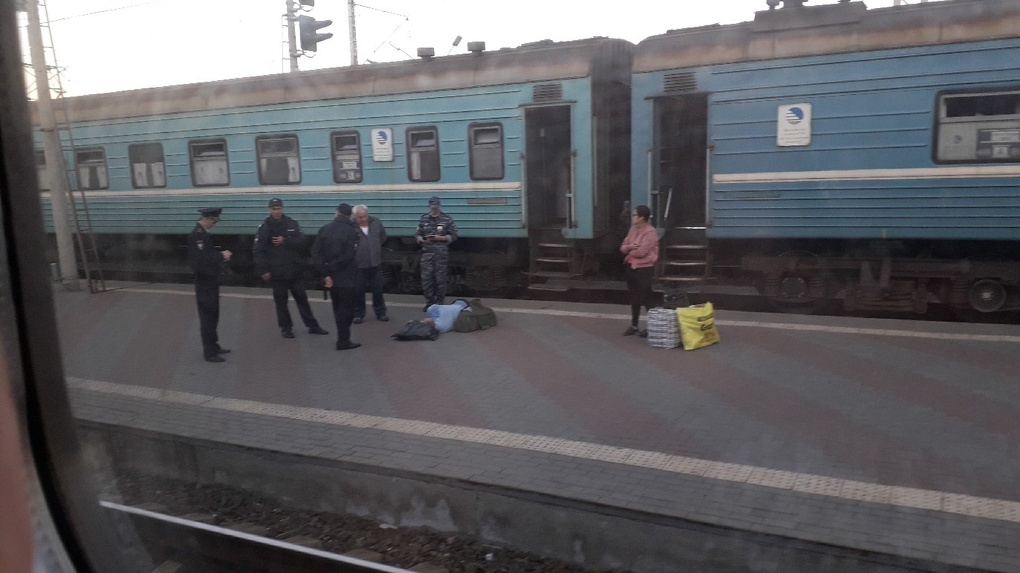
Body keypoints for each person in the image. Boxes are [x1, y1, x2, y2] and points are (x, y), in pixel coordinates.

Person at [253, 197, 329, 338]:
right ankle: (286, 328)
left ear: (283, 209)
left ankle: (312, 325)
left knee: (302, 299)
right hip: (277, 272)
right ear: (270, 210)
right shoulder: (264, 228)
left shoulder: (292, 224)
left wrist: (285, 240)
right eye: (274, 209)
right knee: (281, 302)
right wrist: (263, 270)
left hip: (294, 270)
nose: (277, 211)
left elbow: (302, 242)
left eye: (279, 208)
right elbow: (258, 251)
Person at [312, 203, 362, 351]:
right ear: (350, 215)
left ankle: (343, 339)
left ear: (337, 213)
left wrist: (325, 272)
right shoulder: (352, 232)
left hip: (331, 278)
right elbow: (348, 256)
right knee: (347, 311)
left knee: (338, 308)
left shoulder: (324, 229)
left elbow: (315, 252)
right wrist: (332, 267)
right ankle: (343, 341)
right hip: (347, 278)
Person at [187, 207, 232, 362]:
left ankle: (214, 345)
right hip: (204, 282)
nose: (215, 224)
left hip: (210, 281)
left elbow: (205, 257)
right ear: (207, 219)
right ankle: (209, 352)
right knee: (207, 317)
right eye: (215, 221)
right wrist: (221, 255)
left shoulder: (203, 234)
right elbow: (199, 261)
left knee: (213, 315)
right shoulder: (197, 236)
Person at [620, 204, 659, 337]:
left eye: (635, 215)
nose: (633, 217)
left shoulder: (650, 232)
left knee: (646, 298)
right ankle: (634, 325)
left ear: (641, 217)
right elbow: (623, 247)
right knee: (634, 297)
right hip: (631, 267)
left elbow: (642, 252)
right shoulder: (633, 229)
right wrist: (631, 246)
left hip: (644, 269)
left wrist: (629, 250)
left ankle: (653, 327)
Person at [415, 196, 458, 310]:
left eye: (436, 207)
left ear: (439, 206)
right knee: (426, 280)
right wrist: (421, 239)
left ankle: (439, 303)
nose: (434, 209)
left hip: (441, 254)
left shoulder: (447, 219)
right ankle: (430, 303)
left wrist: (441, 238)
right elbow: (418, 234)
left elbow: (454, 236)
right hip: (427, 253)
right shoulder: (424, 219)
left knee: (440, 280)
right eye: (432, 207)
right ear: (429, 206)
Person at [351, 204, 389, 324]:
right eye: (360, 217)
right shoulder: (351, 226)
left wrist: (374, 248)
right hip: (359, 265)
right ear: (355, 217)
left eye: (365, 216)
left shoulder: (376, 222)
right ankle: (358, 314)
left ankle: (381, 313)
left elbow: (382, 236)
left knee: (378, 290)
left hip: (375, 263)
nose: (363, 219)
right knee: (358, 291)